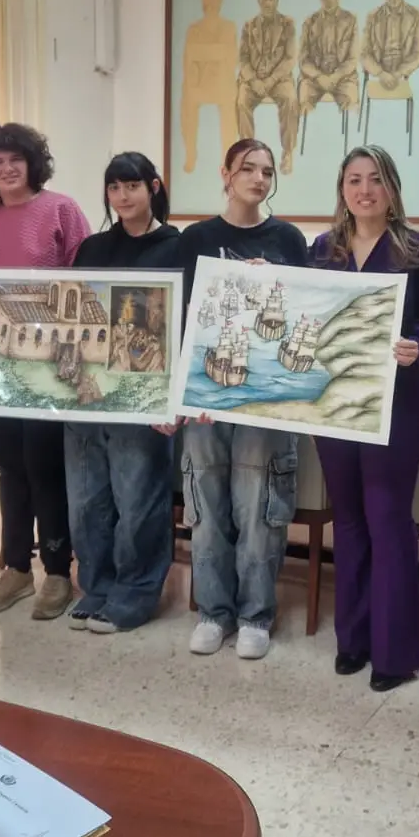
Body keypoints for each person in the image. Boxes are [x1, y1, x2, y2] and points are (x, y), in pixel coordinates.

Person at [309, 146, 419, 691]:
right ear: (341, 189)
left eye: (374, 180)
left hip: (397, 402)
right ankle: (354, 640)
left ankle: (394, 654)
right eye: (353, 180)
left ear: (391, 188)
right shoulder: (321, 250)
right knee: (347, 520)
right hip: (336, 403)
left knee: (389, 520)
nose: (363, 190)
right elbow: (301, 311)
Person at [177, 138, 308, 660]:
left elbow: (300, 313)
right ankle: (213, 610)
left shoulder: (289, 239)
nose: (258, 178)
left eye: (267, 171)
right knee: (205, 502)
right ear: (225, 173)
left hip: (264, 395)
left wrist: (270, 286)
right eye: (248, 168)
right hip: (204, 390)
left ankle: (256, 615)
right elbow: (183, 315)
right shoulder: (196, 239)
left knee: (258, 504)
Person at [0, 122, 90, 620]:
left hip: (52, 364)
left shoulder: (61, 209)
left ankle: (57, 572)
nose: (7, 169)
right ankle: (16, 569)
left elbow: (89, 285)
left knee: (44, 467)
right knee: (9, 467)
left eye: (15, 159)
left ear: (32, 163)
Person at [64, 153, 180, 635]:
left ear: (153, 187)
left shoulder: (177, 246)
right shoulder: (92, 247)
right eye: (114, 188)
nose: (123, 196)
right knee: (88, 499)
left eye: (132, 186)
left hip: (142, 393)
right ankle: (98, 585)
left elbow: (187, 323)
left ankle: (136, 592)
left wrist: (172, 396)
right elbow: (67, 313)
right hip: (86, 393)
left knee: (138, 499)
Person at [236, 0, 299, 174]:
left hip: (278, 79)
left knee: (290, 99)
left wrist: (271, 79)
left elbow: (290, 59)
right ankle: (246, 152)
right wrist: (254, 80)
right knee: (241, 101)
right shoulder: (249, 26)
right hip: (254, 80)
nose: (268, 3)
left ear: (277, 0)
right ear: (259, 0)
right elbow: (243, 58)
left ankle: (287, 152)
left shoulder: (287, 24)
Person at [181, 0, 238, 173]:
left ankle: (229, 158)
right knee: (187, 100)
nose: (211, 2)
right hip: (199, 83)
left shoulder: (228, 27)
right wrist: (215, 53)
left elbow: (230, 57)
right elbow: (189, 58)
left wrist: (204, 53)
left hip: (221, 83)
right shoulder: (194, 29)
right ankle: (190, 154)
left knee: (230, 104)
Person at [298, 0, 360, 114]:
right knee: (303, 101)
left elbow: (352, 59)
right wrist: (319, 76)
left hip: (343, 79)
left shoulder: (350, 21)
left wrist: (335, 77)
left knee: (352, 105)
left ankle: (350, 135)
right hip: (314, 80)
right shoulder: (309, 22)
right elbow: (303, 59)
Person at [361, 0, 419, 92]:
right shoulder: (372, 16)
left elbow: (418, 55)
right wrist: (380, 73)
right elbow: (364, 54)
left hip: (401, 74)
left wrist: (398, 73)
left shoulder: (415, 15)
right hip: (379, 74)